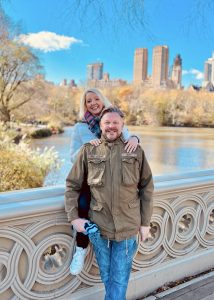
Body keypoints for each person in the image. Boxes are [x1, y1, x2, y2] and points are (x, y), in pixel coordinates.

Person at [65, 107, 154, 300]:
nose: (111, 126)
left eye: (115, 122)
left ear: (122, 125)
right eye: (107, 122)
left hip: (128, 227)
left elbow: (147, 187)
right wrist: (74, 218)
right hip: (99, 228)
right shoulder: (89, 150)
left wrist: (145, 223)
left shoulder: (135, 151)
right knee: (107, 276)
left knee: (119, 279)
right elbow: (72, 186)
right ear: (100, 125)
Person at [69, 88, 140, 275]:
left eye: (96, 99)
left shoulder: (114, 119)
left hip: (114, 178)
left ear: (103, 100)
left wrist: (134, 137)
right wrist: (87, 146)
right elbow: (71, 157)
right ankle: (80, 249)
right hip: (90, 179)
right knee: (83, 204)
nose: (92, 103)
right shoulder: (80, 128)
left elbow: (129, 140)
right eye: (88, 101)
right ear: (84, 105)